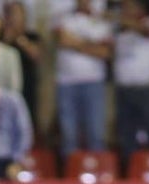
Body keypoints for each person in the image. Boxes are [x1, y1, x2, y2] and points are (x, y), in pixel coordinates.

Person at [54, 0, 112, 156]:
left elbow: (105, 53)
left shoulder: (102, 21)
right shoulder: (63, 17)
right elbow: (62, 41)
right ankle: (71, 176)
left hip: (94, 82)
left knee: (96, 133)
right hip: (66, 83)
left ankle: (98, 173)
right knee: (69, 134)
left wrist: (75, 43)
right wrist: (92, 45)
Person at [113, 0, 149, 168]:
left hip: (146, 89)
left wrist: (117, 18)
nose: (124, 10)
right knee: (126, 135)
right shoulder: (119, 31)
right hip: (124, 90)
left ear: (139, 8)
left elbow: (146, 31)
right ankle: (131, 173)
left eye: (128, 7)